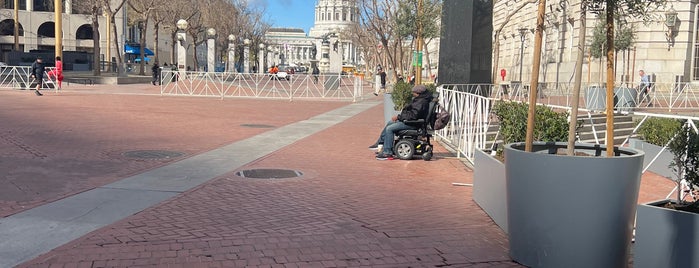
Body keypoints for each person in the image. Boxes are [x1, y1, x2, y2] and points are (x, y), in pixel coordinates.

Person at [369, 85, 433, 160]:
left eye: (414, 93)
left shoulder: (421, 102)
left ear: (418, 93)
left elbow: (413, 116)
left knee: (390, 129)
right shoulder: (420, 99)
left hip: (413, 124)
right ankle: (380, 143)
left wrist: (399, 117)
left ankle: (387, 152)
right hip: (411, 121)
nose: (412, 94)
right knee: (390, 122)